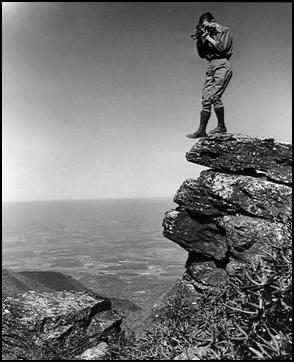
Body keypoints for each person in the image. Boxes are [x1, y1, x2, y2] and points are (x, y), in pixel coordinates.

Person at [186, 12, 233, 139]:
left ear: (213, 21)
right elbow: (202, 55)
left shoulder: (224, 31)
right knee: (206, 97)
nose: (206, 29)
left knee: (214, 96)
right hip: (211, 66)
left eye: (207, 26)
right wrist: (200, 40)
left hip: (222, 64)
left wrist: (209, 39)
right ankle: (202, 130)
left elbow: (223, 48)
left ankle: (221, 126)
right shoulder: (207, 35)